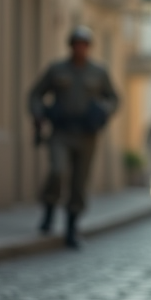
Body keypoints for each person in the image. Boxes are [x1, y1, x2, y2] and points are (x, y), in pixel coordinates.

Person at [28, 26, 119, 248]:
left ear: (88, 48)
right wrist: (39, 115)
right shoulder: (57, 69)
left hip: (87, 135)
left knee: (79, 181)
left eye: (84, 44)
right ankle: (49, 209)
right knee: (57, 171)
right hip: (61, 131)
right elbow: (35, 95)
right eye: (77, 43)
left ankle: (71, 227)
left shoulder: (98, 72)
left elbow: (114, 98)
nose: (80, 48)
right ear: (71, 46)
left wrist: (103, 112)